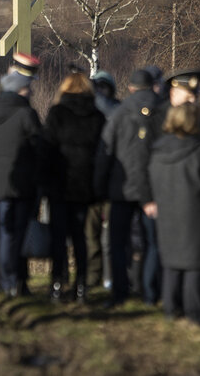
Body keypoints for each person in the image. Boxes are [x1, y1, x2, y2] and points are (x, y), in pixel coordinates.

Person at [145, 103, 200, 326]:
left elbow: (151, 179)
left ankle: (171, 310)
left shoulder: (157, 150)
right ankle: (194, 313)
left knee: (171, 263)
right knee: (194, 265)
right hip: (197, 213)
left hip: (168, 213)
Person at [94, 69, 163, 308]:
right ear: (153, 86)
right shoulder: (163, 110)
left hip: (120, 189)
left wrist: (99, 186)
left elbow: (105, 152)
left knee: (118, 242)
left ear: (131, 88)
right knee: (154, 242)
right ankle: (150, 293)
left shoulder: (119, 112)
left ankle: (120, 293)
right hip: (153, 190)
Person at [42, 73, 105, 303]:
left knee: (58, 238)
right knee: (81, 238)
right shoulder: (97, 116)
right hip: (84, 186)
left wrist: (45, 182)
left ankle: (57, 285)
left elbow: (47, 149)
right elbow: (102, 153)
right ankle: (81, 287)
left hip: (59, 184)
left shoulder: (57, 113)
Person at [0, 71, 42, 298]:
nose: (31, 91)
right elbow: (39, 147)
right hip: (23, 181)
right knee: (17, 233)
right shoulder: (26, 114)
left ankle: (6, 279)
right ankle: (13, 280)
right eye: (28, 88)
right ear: (21, 90)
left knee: (4, 231)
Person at [87, 70, 119, 290]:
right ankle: (93, 277)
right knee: (90, 236)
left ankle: (110, 277)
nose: (100, 93)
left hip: (113, 184)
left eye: (103, 88)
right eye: (97, 88)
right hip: (89, 183)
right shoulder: (88, 115)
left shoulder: (118, 112)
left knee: (110, 239)